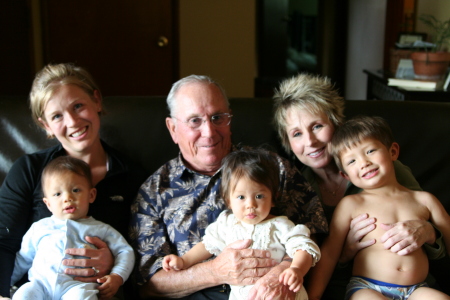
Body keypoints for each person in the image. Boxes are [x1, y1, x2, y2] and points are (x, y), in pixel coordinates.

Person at [130, 75, 328, 300]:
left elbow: (316, 233)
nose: (209, 132)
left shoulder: (274, 168)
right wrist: (214, 272)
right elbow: (148, 282)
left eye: (217, 117)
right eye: (194, 120)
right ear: (173, 128)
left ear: (229, 119)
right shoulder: (154, 192)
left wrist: (284, 271)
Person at [272, 73, 445, 299]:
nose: (310, 141)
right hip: (357, 287)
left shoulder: (386, 168)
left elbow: (423, 216)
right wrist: (347, 254)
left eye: (317, 126)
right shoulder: (296, 191)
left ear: (337, 124)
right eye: (297, 134)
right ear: (289, 145)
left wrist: (429, 232)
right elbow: (319, 257)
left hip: (416, 286)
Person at [0, 63, 148, 298]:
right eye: (57, 116)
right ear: (45, 125)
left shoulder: (134, 177)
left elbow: (143, 252)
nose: (72, 121)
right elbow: (4, 243)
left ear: (97, 101)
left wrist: (114, 267)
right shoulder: (29, 170)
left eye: (78, 106)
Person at [308, 115, 450, 299]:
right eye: (352, 161)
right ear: (346, 175)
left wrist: (431, 231)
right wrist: (312, 297)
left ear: (393, 151)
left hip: (417, 289)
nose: (364, 163)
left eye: (370, 151)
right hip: (368, 288)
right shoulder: (351, 204)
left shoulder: (424, 200)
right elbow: (329, 254)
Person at [162, 148, 321, 300]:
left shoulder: (281, 224)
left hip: (280, 294)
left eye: (259, 196)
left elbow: (303, 248)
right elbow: (207, 245)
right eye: (241, 197)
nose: (250, 204)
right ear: (228, 201)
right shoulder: (226, 223)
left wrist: (296, 269)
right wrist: (184, 260)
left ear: (273, 198)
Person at [11, 156, 135, 299]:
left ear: (91, 195)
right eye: (57, 194)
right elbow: (22, 259)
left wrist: (117, 276)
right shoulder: (39, 228)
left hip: (78, 286)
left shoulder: (101, 229)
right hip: (40, 285)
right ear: (48, 203)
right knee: (23, 294)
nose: (67, 198)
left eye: (76, 190)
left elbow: (125, 251)